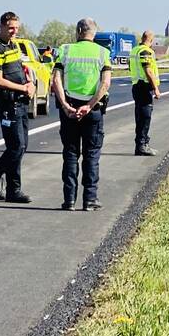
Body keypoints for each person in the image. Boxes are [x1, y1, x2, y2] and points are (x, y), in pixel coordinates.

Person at [51, 18, 112, 211]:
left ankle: (69, 200)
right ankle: (89, 200)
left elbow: (56, 80)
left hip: (69, 108)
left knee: (70, 153)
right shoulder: (103, 53)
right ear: (94, 33)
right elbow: (105, 84)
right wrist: (90, 105)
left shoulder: (65, 50)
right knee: (91, 154)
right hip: (92, 111)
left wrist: (65, 105)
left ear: (78, 31)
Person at [0, 12, 35, 204]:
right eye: (11, 28)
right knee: (15, 147)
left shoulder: (15, 45)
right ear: (2, 26)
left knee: (21, 147)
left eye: (17, 28)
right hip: (8, 104)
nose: (14, 32)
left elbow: (22, 68)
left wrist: (30, 84)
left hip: (21, 102)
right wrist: (22, 87)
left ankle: (13, 190)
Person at [129, 29, 161, 156]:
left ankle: (140, 145)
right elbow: (148, 71)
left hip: (136, 86)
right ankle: (142, 145)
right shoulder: (146, 51)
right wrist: (156, 88)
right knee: (145, 117)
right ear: (151, 40)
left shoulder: (134, 50)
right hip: (144, 87)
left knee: (140, 116)